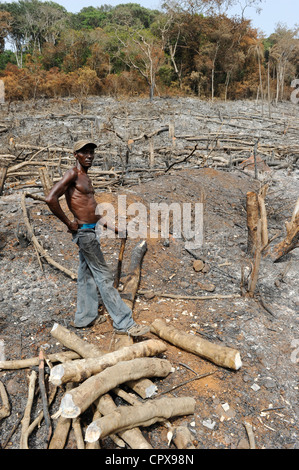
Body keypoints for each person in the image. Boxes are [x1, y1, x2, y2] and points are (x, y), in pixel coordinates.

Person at [45, 139, 150, 337]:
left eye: (92, 152)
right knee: (103, 275)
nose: (90, 156)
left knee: (86, 275)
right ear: (76, 154)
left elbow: (93, 211)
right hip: (84, 233)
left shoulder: (85, 177)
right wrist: (69, 223)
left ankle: (84, 318)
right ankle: (124, 323)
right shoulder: (72, 174)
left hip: (90, 230)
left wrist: (113, 227)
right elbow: (50, 198)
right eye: (85, 152)